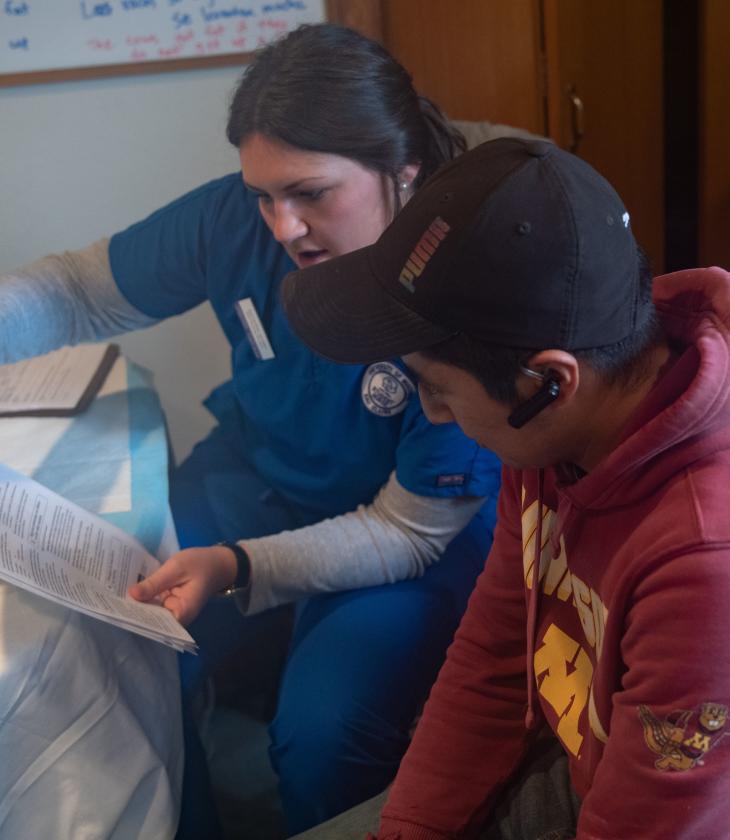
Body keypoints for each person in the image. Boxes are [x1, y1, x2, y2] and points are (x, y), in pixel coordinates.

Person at [0, 23, 503, 837]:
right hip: (260, 477)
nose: (282, 227)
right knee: (119, 631)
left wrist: (239, 566)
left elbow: (407, 531)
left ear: (403, 171)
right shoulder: (237, 223)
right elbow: (77, 291)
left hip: (404, 535)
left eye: (310, 193)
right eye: (264, 195)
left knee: (323, 734)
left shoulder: (464, 285)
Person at [280, 136, 730, 839]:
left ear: (548, 381)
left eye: (437, 389)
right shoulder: (554, 429)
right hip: (589, 753)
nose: (430, 414)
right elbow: (493, 651)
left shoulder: (704, 565)